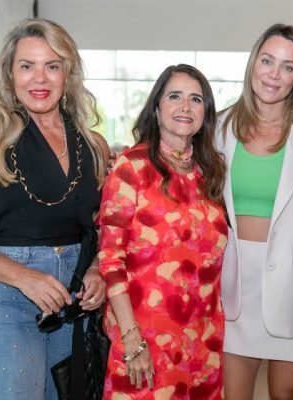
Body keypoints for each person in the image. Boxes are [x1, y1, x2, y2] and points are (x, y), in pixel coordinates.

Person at [0, 18, 110, 399]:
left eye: (52, 65)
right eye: (27, 66)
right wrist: (23, 277)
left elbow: (102, 225)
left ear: (68, 73)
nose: (40, 79)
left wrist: (97, 270)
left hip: (73, 300)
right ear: (10, 75)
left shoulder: (93, 144)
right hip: (7, 297)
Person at [96, 64, 228, 398]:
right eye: (175, 96)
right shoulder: (131, 168)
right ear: (156, 108)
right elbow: (111, 262)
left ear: (205, 114)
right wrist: (131, 337)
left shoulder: (211, 174)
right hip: (145, 338)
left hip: (204, 341)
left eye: (196, 99)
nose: (186, 106)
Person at [216, 24, 293, 399]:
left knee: (286, 394)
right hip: (232, 282)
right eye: (267, 60)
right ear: (253, 64)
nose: (274, 74)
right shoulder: (218, 128)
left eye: (287, 67)